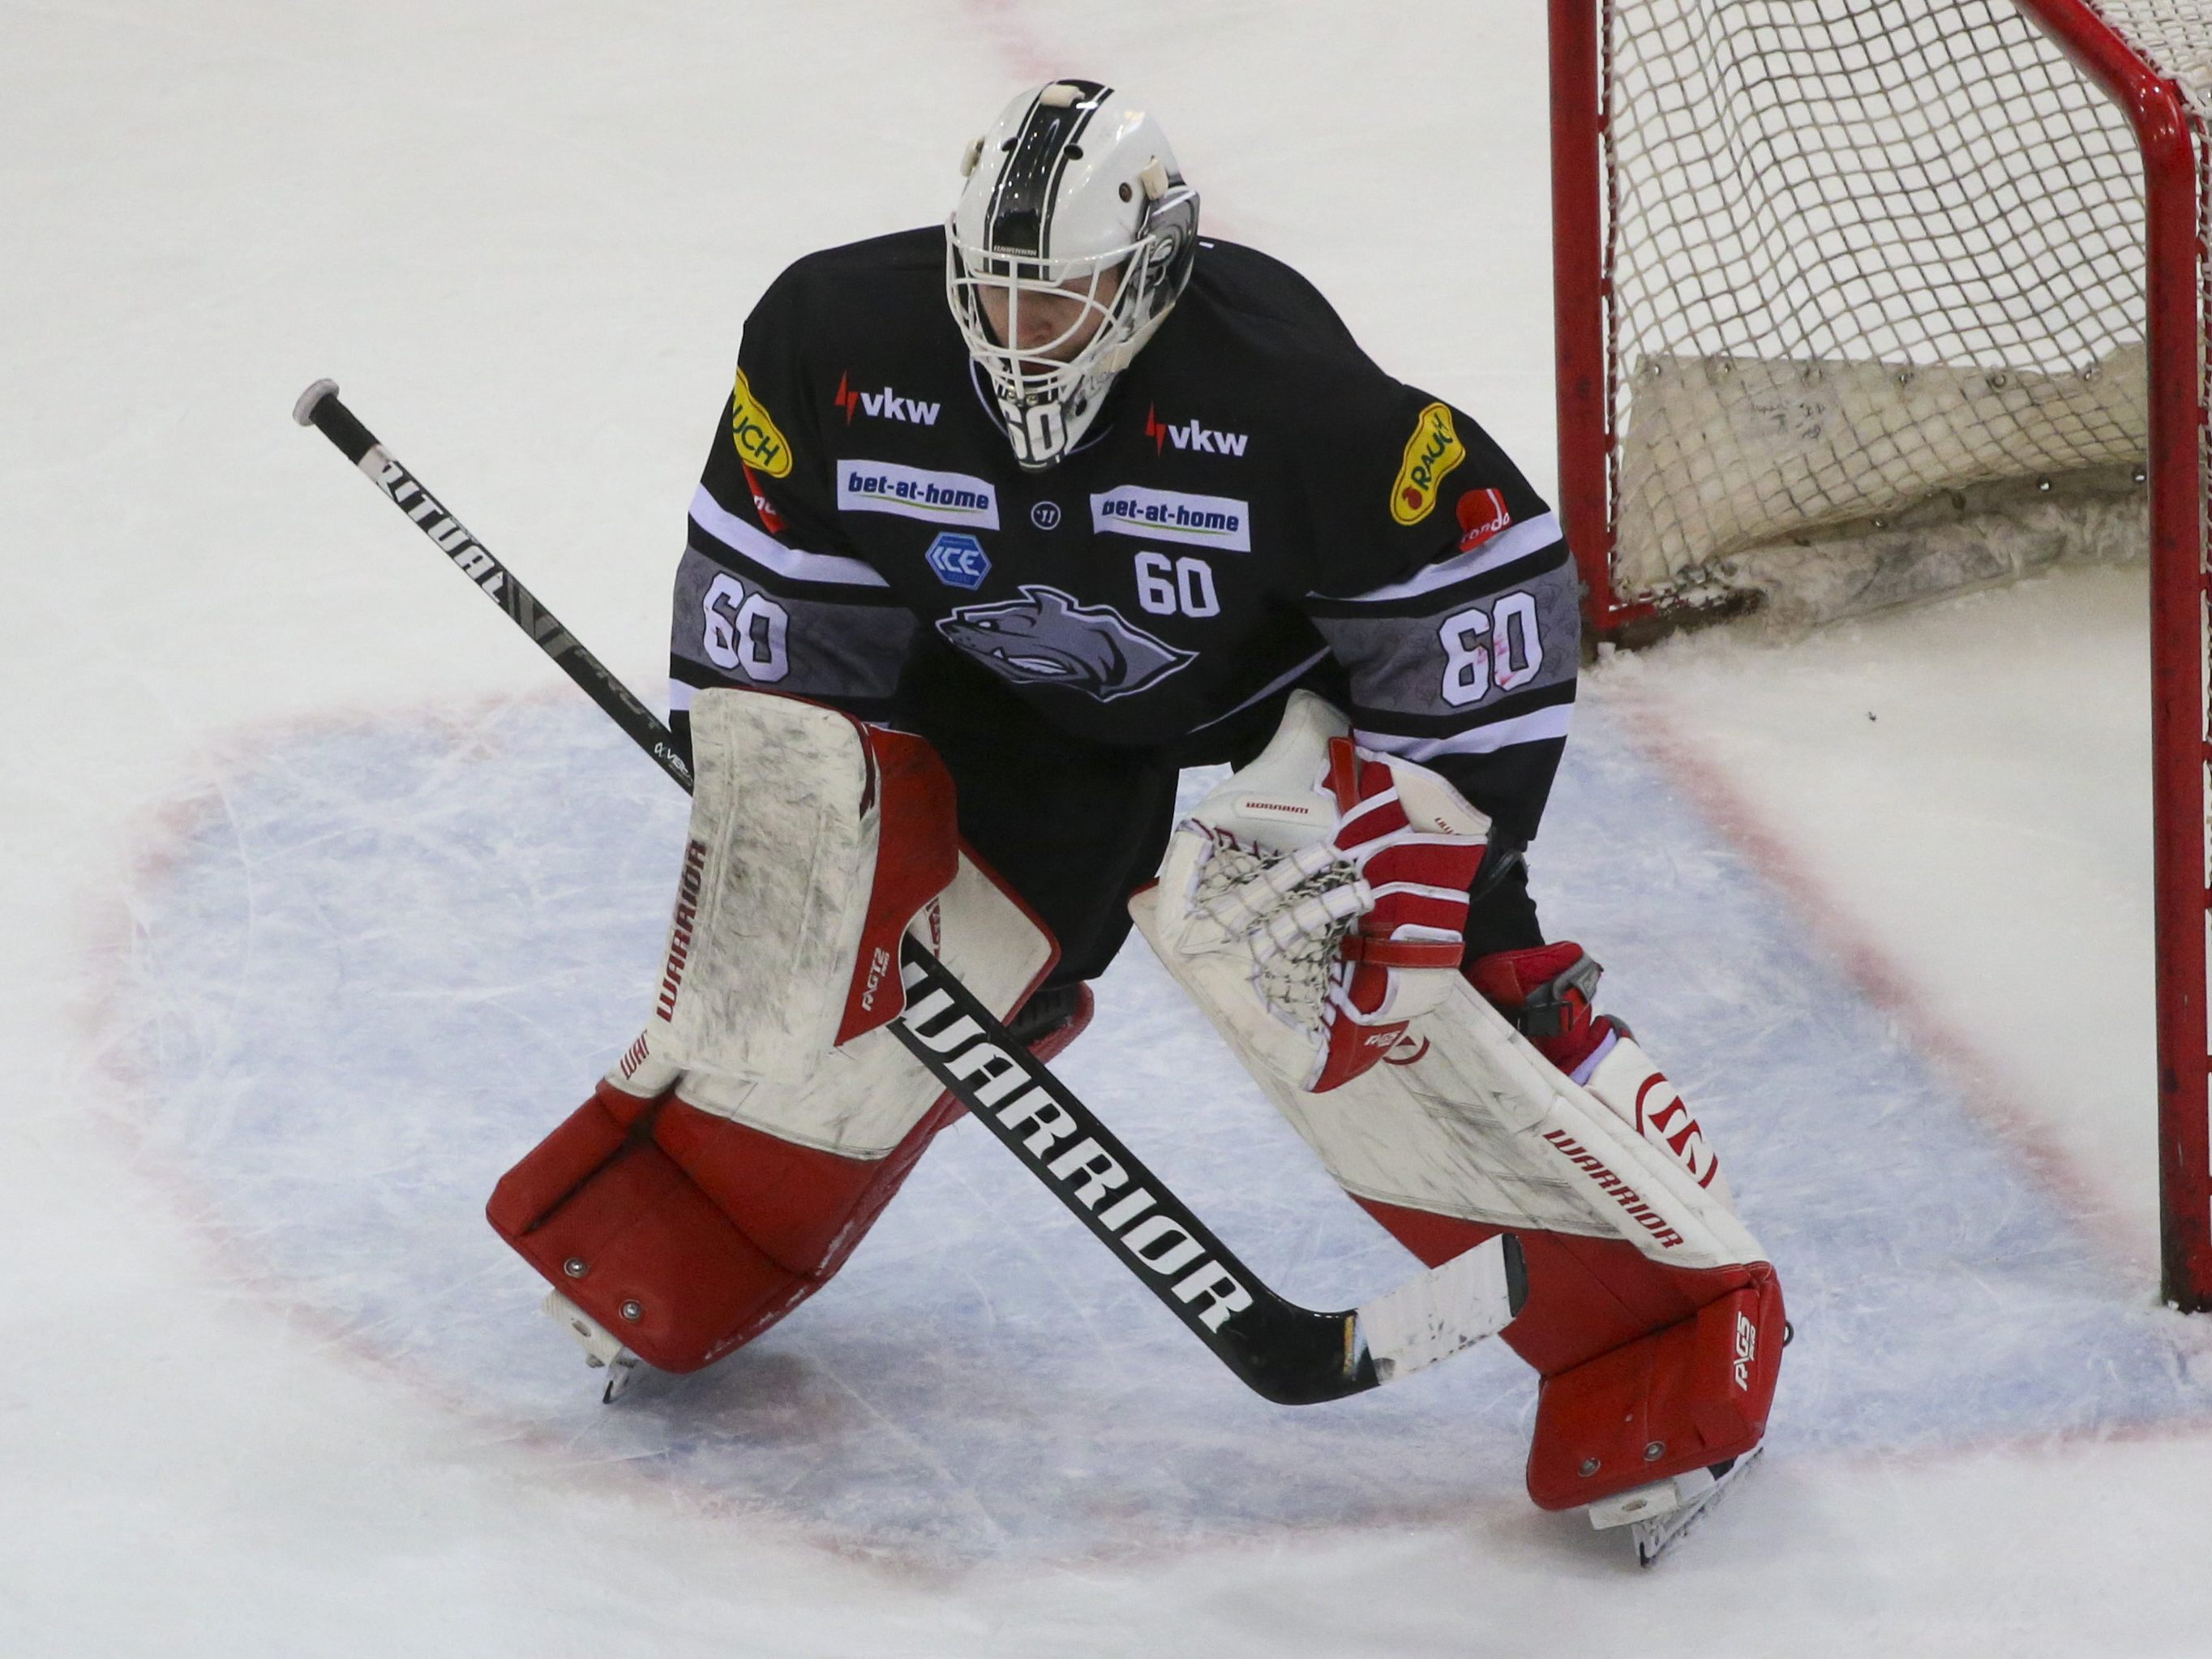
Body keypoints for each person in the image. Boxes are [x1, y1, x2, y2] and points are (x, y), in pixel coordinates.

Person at [488, 79, 1782, 1540]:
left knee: (1371, 978)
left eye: (1065, 298)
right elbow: (778, 583)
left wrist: (1426, 834)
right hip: (1014, 702)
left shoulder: (1290, 401)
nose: (1019, 332)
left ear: (1154, 267)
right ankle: (690, 1224)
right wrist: (791, 785)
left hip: (1281, 708)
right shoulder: (835, 341)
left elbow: (1478, 598)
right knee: (830, 931)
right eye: (997, 290)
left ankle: (1666, 1319)